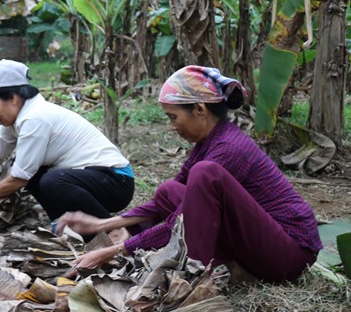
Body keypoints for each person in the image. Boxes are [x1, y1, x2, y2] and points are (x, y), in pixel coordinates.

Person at [57, 65, 322, 282]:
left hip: (289, 254)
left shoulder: (228, 149)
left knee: (205, 174)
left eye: (173, 117)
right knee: (168, 190)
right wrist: (103, 224)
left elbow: (180, 219)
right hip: (266, 243)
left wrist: (112, 251)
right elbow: (173, 198)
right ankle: (235, 267)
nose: (172, 126)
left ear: (200, 110)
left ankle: (193, 276)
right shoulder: (209, 142)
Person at [0, 59, 134, 236]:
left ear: (13, 98)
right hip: (91, 179)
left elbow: (19, 179)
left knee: (50, 180)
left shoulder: (34, 118)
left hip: (116, 181)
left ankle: (114, 231)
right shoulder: (16, 120)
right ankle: (64, 226)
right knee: (36, 174)